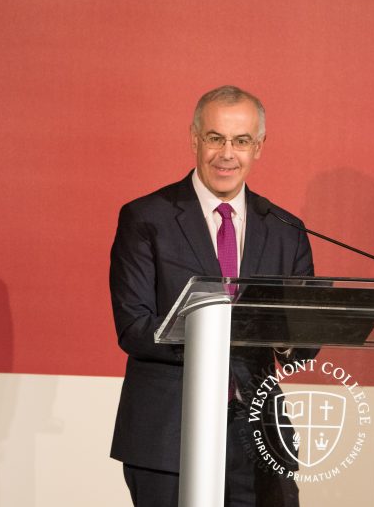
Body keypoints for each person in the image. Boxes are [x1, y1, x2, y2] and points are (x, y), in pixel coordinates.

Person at [110, 85, 314, 506]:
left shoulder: (284, 228)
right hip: (169, 432)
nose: (227, 153)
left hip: (258, 434)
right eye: (215, 138)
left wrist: (287, 335)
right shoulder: (147, 218)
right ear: (194, 138)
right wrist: (218, 334)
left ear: (258, 147)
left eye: (241, 141)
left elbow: (303, 339)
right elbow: (134, 327)